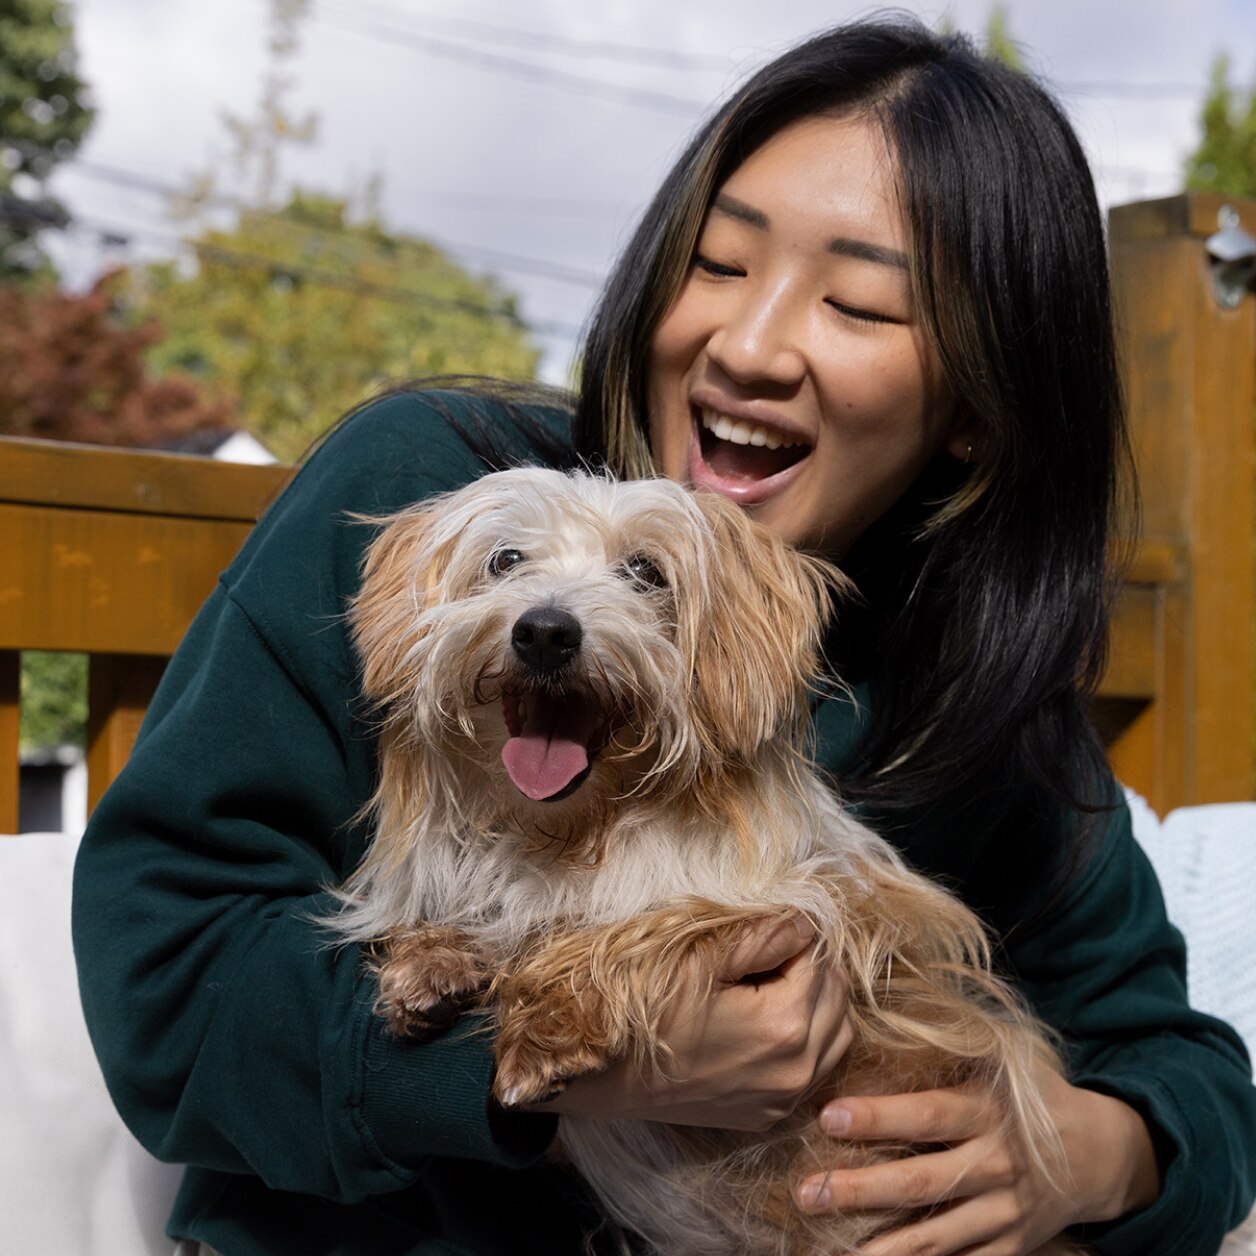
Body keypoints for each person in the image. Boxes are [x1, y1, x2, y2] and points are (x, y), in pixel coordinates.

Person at [73, 15, 1256, 1256]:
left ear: (977, 406)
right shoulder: (440, 487)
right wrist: (560, 1059)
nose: (747, 347)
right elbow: (166, 971)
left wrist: (1079, 1152)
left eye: (857, 303)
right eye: (715, 263)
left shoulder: (978, 687)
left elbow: (1185, 1073)